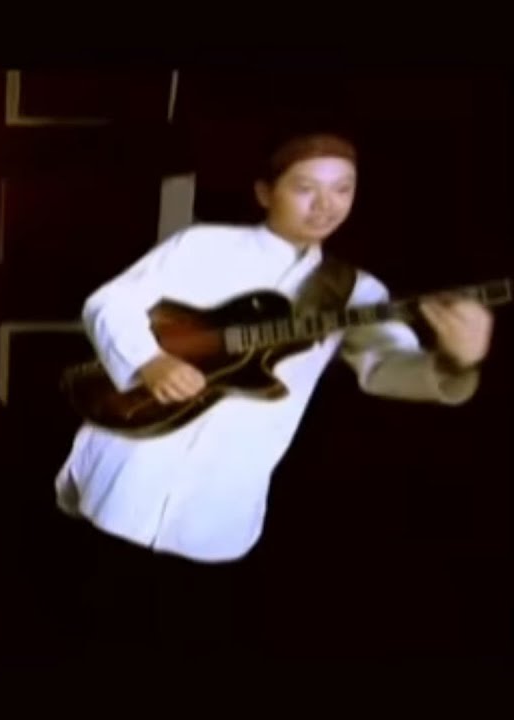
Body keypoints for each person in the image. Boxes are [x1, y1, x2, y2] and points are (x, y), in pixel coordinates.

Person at [53, 130, 495, 653]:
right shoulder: (202, 246)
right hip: (126, 476)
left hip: (218, 513)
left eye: (343, 189)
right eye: (306, 188)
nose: (326, 205)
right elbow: (109, 304)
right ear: (265, 192)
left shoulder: (354, 291)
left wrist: (455, 360)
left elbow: (384, 367)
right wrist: (149, 360)